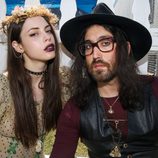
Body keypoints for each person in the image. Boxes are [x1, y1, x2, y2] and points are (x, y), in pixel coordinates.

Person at [50, 3, 158, 158]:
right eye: (88, 46)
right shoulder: (75, 108)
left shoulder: (154, 89)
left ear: (125, 49)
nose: (95, 55)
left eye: (105, 43)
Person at [0, 5, 70, 158]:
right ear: (18, 46)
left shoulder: (62, 81)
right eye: (34, 34)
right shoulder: (3, 86)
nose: (47, 37)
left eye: (48, 30)